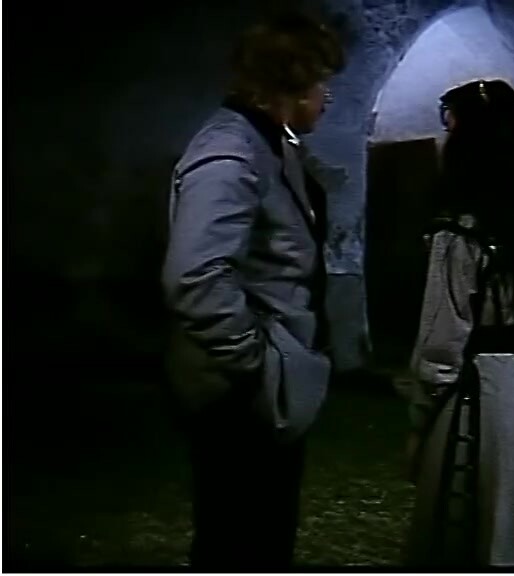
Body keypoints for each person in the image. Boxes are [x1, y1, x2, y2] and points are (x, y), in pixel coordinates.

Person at [161, 12, 344, 570]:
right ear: (292, 83)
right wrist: (256, 364)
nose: (328, 97)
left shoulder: (267, 144)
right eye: (321, 82)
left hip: (260, 385)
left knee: (263, 539)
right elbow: (195, 274)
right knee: (238, 544)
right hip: (238, 394)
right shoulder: (231, 153)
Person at [404, 79, 514, 567]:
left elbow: (441, 344)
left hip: (474, 400)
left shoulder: (459, 235)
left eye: (452, 130)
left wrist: (420, 422)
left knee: (470, 529)